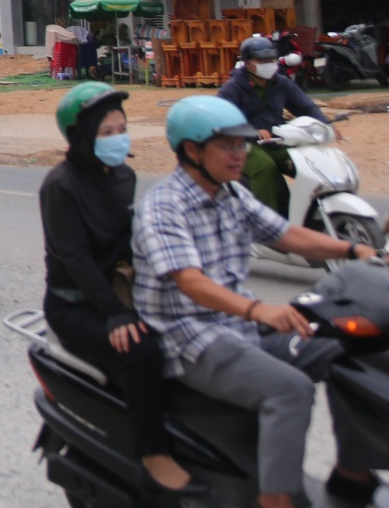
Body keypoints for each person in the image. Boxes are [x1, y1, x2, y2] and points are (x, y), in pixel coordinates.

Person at [133, 95, 382, 508]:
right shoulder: (165, 207)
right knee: (290, 390)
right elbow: (191, 283)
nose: (240, 154)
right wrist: (259, 309)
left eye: (242, 144)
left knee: (342, 347)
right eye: (228, 146)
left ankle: (351, 472)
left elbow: (285, 234)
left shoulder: (230, 194)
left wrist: (356, 251)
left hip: (239, 327)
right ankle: (275, 499)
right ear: (192, 151)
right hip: (191, 339)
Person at [40, 83, 197, 497]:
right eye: (106, 133)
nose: (117, 139)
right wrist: (115, 313)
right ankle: (152, 453)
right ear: (82, 137)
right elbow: (75, 259)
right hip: (75, 304)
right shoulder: (61, 185)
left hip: (118, 290)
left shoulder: (123, 176)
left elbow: (130, 239)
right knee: (142, 349)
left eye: (120, 129)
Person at [218, 34, 328, 215]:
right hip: (242, 143)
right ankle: (269, 220)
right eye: (261, 60)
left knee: (308, 163)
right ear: (247, 62)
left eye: (271, 59)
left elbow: (305, 106)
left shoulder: (281, 82)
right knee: (265, 167)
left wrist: (325, 124)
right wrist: (253, 131)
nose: (268, 63)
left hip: (277, 139)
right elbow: (223, 118)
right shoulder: (233, 87)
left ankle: (316, 212)